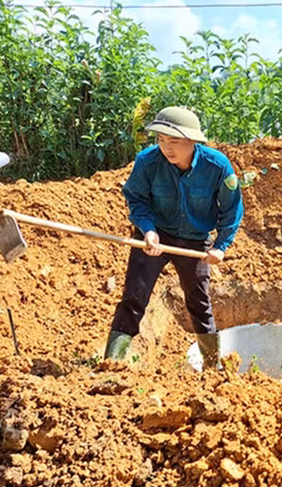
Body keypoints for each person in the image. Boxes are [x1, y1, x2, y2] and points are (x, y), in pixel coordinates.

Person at [104, 106, 244, 369]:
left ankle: (212, 367)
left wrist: (221, 245)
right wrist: (148, 229)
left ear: (193, 141)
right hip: (156, 234)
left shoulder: (216, 166)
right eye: (161, 139)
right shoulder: (148, 162)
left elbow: (232, 208)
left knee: (199, 303)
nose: (167, 148)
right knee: (134, 297)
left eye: (174, 141)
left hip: (194, 239)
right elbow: (136, 198)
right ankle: (111, 363)